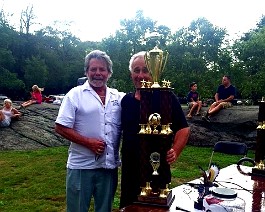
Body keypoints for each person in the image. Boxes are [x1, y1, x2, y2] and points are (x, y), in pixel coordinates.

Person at [55, 50, 125, 212]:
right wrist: (88, 143)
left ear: (109, 73)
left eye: (102, 69)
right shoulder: (75, 95)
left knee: (104, 209)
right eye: (93, 69)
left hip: (108, 167)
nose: (98, 73)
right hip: (81, 167)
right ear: (86, 72)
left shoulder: (118, 97)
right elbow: (60, 127)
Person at [119, 51, 190, 209]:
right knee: (129, 206)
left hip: (157, 167)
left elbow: (183, 129)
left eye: (145, 70)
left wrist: (175, 151)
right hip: (130, 169)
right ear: (131, 73)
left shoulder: (167, 98)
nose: (141, 75)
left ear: (153, 73)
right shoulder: (126, 101)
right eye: (136, 70)